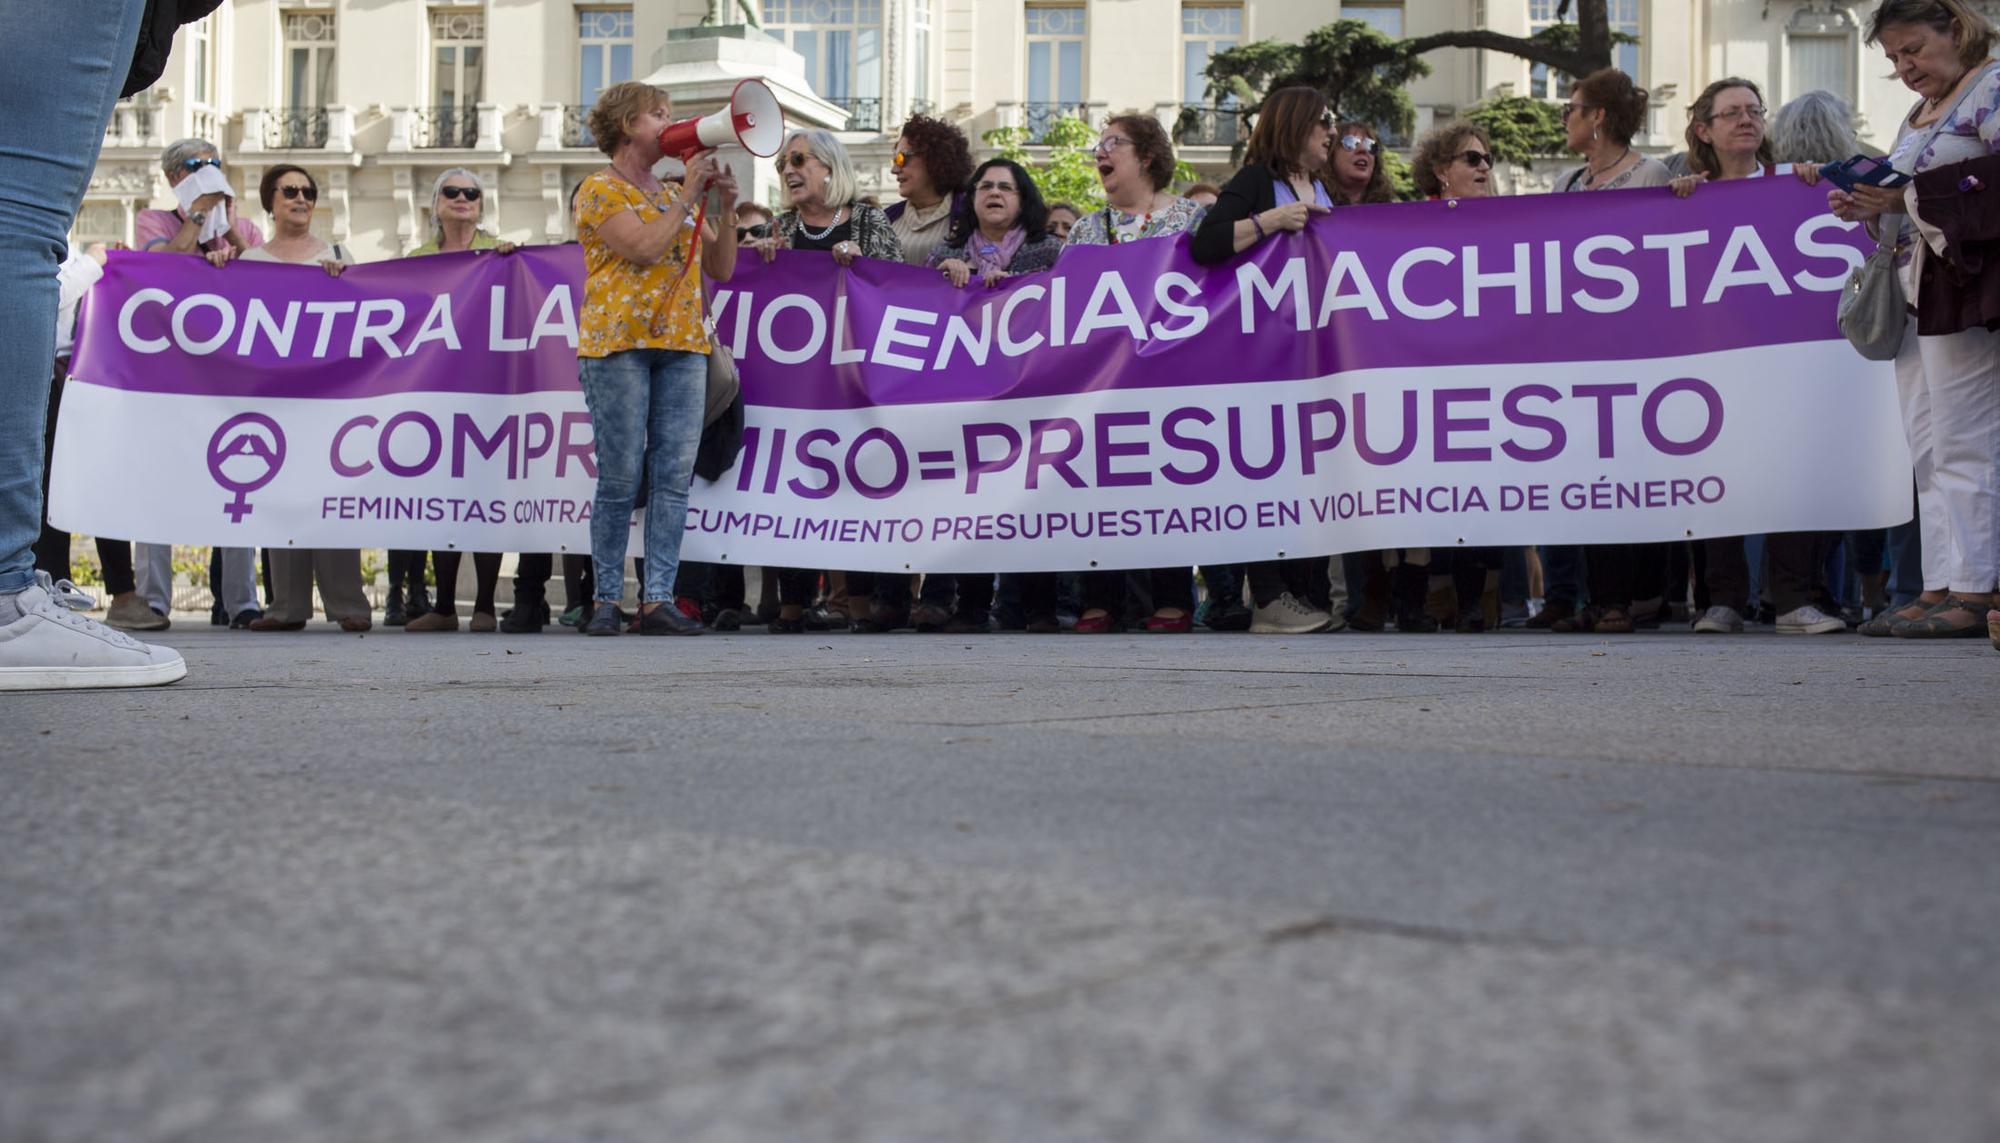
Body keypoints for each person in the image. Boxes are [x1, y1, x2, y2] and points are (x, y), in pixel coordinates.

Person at [1826, 0, 2000, 639]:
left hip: (1963, 289)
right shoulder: (1920, 112)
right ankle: (1940, 583)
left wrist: (1906, 195)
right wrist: (1873, 206)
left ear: (1955, 28)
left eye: (1914, 49)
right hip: (1914, 291)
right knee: (1927, 447)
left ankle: (1978, 588)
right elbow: (1909, 200)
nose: (1904, 67)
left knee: (1965, 439)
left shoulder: (1992, 87)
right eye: (1895, 57)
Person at [1665, 79, 1846, 635]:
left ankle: (1793, 599)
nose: (1746, 120)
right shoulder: (1690, 195)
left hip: (1785, 359)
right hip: (1712, 359)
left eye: (1754, 110)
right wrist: (1672, 205)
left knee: (1790, 470)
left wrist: (1816, 188)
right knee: (1717, 474)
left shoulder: (1794, 183)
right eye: (1732, 113)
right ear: (1704, 130)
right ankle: (1723, 601)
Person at [572, 81, 737, 636]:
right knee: (620, 476)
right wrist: (688, 196)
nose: (670, 123)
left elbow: (721, 267)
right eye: (658, 114)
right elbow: (642, 248)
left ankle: (658, 598)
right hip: (618, 345)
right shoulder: (599, 189)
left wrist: (726, 208)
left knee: (673, 477)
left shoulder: (671, 193)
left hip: (684, 347)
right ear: (626, 125)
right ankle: (604, 600)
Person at [1052, 112, 1226, 633]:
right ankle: (1100, 598)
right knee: (1101, 480)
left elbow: (1216, 283)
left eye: (1114, 143)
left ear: (1147, 155)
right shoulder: (1085, 229)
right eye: (1098, 145)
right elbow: (1062, 301)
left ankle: (1172, 597)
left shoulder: (1190, 218)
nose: (1100, 152)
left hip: (1172, 374)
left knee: (1168, 477)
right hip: (1104, 380)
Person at [1530, 68, 1676, 635]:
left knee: (1626, 471)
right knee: (1588, 473)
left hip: (1634, 349)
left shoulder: (1651, 174)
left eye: (1571, 108)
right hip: (1576, 351)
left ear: (1599, 116)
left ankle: (1627, 598)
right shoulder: (1566, 184)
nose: (1564, 117)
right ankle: (1597, 598)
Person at [1190, 87, 1340, 635]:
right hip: (1260, 354)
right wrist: (1272, 220)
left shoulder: (1321, 187)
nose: (1332, 132)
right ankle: (1271, 596)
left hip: (1311, 354)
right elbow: (1206, 243)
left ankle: (1306, 594)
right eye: (1324, 121)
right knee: (1269, 471)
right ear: (1295, 125)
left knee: (1311, 473)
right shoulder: (1256, 181)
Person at [750, 128, 903, 633]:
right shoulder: (779, 228)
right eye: (782, 164)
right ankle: (792, 606)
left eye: (799, 160)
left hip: (855, 382)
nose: (788, 170)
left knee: (854, 486)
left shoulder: (868, 221)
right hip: (794, 386)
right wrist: (761, 260)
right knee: (792, 488)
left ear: (830, 167)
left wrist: (863, 264)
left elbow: (899, 288)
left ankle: (859, 606)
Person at [909, 158, 1066, 635]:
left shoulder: (1049, 251)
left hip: (1034, 395)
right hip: (967, 398)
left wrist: (1017, 288)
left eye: (1005, 187)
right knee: (968, 497)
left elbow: (1069, 306)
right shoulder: (945, 253)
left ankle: (1038, 606)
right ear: (972, 198)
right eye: (985, 186)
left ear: (1023, 199)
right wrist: (945, 279)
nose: (994, 193)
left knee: (1032, 497)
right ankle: (970, 605)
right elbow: (922, 311)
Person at [219, 166, 369, 632]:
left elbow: (366, 314)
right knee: (281, 495)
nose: (301, 198)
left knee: (331, 494)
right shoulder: (250, 262)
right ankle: (286, 605)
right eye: (290, 191)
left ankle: (348, 603)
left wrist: (346, 281)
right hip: (273, 396)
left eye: (308, 191)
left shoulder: (338, 256)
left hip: (328, 395)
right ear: (271, 201)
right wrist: (215, 270)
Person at [131, 136, 266, 631]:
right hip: (169, 376)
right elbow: (163, 266)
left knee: (239, 481)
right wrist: (197, 216)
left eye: (214, 163)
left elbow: (269, 277)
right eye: (196, 165)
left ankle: (241, 601)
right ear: (174, 177)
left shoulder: (244, 228)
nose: (208, 170)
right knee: (157, 486)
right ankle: (153, 600)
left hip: (230, 377)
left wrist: (229, 230)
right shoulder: (153, 220)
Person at [401, 168, 518, 633]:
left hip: (489, 388)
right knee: (444, 497)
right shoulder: (417, 260)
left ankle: (484, 606)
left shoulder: (502, 253)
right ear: (436, 204)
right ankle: (445, 607)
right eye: (451, 191)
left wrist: (512, 263)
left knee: (486, 495)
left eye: (472, 192)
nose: (462, 198)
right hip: (436, 388)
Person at [884, 112, 973, 269]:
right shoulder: (887, 219)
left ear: (934, 158)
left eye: (901, 158)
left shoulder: (972, 215)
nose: (894, 169)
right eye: (894, 160)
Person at [1329, 122, 1397, 206]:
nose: (1363, 149)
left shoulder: (1392, 210)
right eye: (1350, 142)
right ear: (1330, 154)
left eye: (1370, 145)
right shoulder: (1315, 201)